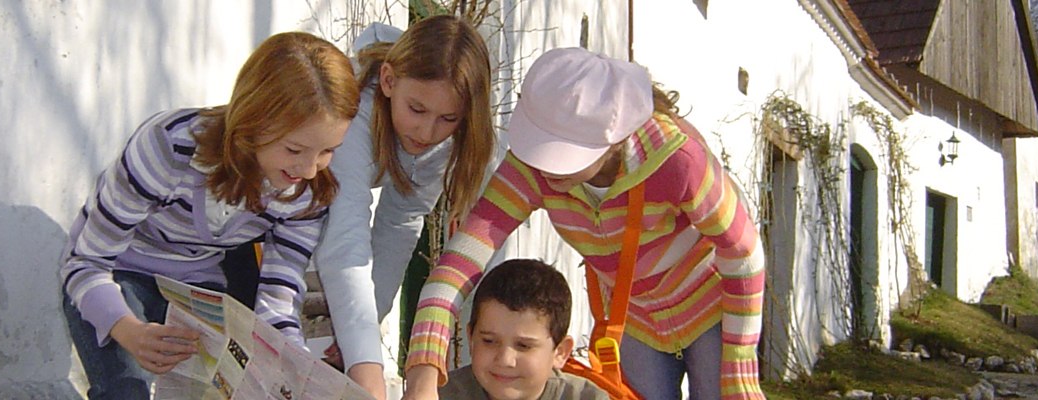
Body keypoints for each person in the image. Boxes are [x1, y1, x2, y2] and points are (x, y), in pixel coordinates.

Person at [402, 48, 767, 400]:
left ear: (612, 142)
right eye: (542, 149)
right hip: (634, 319)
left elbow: (744, 254)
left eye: (563, 155)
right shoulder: (530, 170)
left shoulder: (679, 161)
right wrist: (423, 369)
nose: (547, 168)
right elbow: (458, 264)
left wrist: (739, 370)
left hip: (713, 308)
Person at [59, 31, 360, 400]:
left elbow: (278, 298)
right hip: (116, 275)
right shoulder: (167, 147)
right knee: (126, 390)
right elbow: (84, 263)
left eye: (328, 151)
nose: (311, 169)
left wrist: (293, 371)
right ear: (253, 120)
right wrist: (128, 330)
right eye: (295, 148)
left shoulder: (306, 193)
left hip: (198, 291)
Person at [313, 14, 497, 399]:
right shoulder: (355, 111)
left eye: (448, 119)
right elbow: (345, 235)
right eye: (416, 109)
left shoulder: (440, 141)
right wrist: (367, 367)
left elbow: (399, 223)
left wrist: (367, 323)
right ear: (388, 80)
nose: (427, 133)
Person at [439, 259, 610, 400]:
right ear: (471, 338)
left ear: (560, 352)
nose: (505, 360)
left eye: (523, 346)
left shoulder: (586, 397)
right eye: (489, 341)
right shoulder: (438, 395)